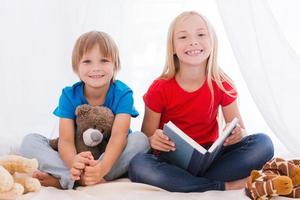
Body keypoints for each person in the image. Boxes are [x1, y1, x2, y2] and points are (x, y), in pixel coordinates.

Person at [128, 11, 274, 192]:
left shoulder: (221, 83)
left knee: (264, 143)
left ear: (212, 42)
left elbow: (241, 131)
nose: (193, 42)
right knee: (138, 164)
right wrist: (153, 140)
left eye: (201, 34)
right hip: (172, 161)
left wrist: (238, 134)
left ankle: (185, 182)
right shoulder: (160, 87)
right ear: (172, 47)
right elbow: (147, 136)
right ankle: (221, 185)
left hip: (211, 159)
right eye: (183, 37)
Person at [20, 31, 149, 189]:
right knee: (29, 142)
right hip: (76, 154)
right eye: (87, 61)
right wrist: (74, 162)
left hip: (108, 156)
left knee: (141, 140)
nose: (96, 68)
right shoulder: (69, 95)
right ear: (76, 67)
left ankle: (72, 178)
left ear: (115, 64)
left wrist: (102, 168)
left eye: (104, 60)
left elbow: (118, 136)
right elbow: (65, 140)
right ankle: (76, 178)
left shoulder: (123, 94)